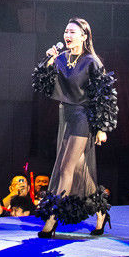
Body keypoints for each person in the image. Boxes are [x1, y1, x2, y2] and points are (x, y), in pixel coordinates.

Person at [31, 18, 118, 237]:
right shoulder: (60, 58)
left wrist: (101, 128)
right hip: (66, 115)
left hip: (83, 117)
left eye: (72, 31)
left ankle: (51, 220)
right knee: (79, 169)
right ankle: (100, 213)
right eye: (66, 31)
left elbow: (105, 94)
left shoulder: (92, 61)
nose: (67, 35)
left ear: (84, 36)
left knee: (65, 168)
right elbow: (42, 84)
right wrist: (48, 61)